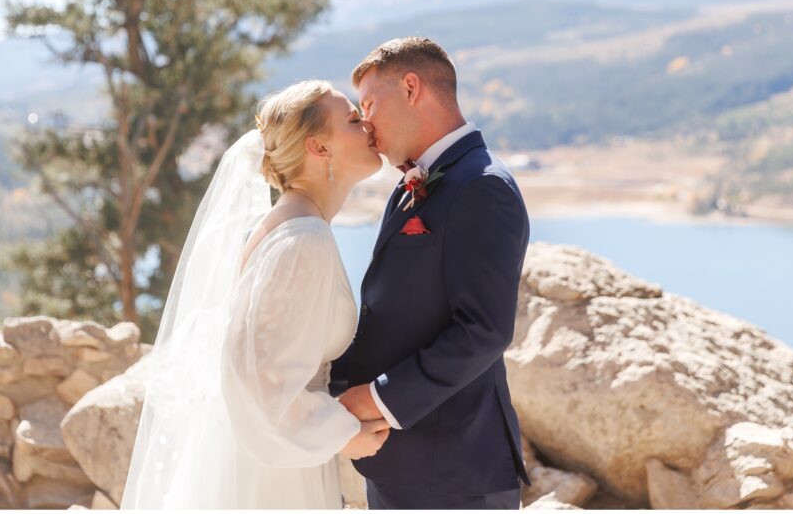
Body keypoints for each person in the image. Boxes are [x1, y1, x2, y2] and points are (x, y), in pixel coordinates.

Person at [120, 79, 391, 509]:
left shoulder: (288, 224)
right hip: (275, 476)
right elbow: (255, 380)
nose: (369, 126)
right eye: (354, 119)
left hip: (277, 452)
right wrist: (343, 434)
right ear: (318, 148)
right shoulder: (302, 239)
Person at [330, 36, 534, 509]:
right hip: (399, 462)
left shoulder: (483, 187)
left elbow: (483, 331)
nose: (365, 123)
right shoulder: (409, 185)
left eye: (369, 104)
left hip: (455, 473)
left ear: (411, 87)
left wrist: (377, 400)